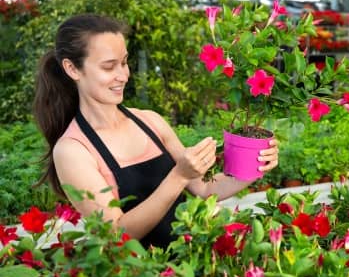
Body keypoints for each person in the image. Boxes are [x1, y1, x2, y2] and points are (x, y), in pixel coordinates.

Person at [33, 14, 279, 249]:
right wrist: (178, 176)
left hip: (188, 265)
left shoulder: (150, 121)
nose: (123, 75)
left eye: (124, 62)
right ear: (72, 69)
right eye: (109, 67)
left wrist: (256, 164)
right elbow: (115, 234)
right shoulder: (73, 150)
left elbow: (205, 189)